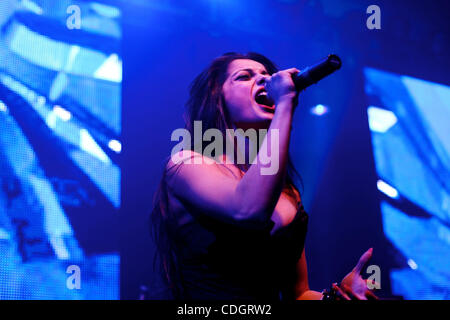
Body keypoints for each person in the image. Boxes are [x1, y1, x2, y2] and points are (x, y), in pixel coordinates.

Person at [150, 52, 378, 300]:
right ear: (217, 98)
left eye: (267, 76)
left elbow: (298, 293)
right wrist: (286, 101)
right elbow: (247, 209)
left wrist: (335, 298)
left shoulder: (288, 192)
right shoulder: (187, 163)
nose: (265, 81)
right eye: (244, 77)